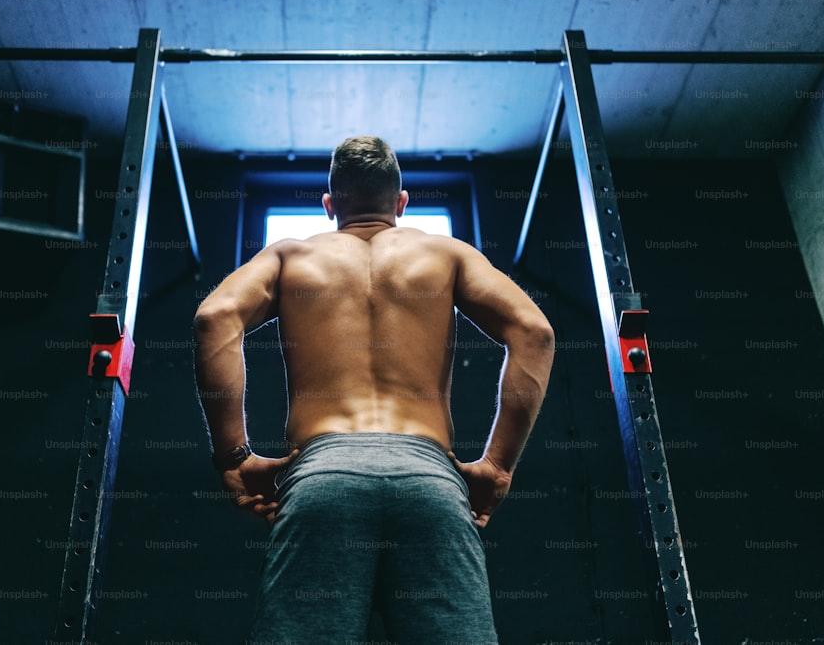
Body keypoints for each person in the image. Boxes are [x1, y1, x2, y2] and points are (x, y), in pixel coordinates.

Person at [194, 136, 554, 644]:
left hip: (323, 480)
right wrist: (497, 465)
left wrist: (233, 456)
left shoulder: (290, 256)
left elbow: (214, 317)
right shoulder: (447, 254)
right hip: (430, 483)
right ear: (401, 203)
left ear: (329, 205)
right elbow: (535, 333)